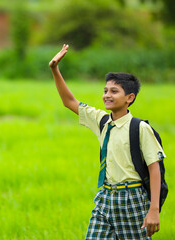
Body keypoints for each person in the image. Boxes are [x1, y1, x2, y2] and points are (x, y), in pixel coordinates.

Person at [49, 44, 166, 239]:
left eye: (114, 91)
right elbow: (69, 101)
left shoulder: (140, 128)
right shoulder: (102, 121)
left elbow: (155, 168)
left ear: (130, 97)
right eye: (105, 90)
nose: (107, 95)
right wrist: (55, 69)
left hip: (132, 198)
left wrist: (154, 209)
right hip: (105, 197)